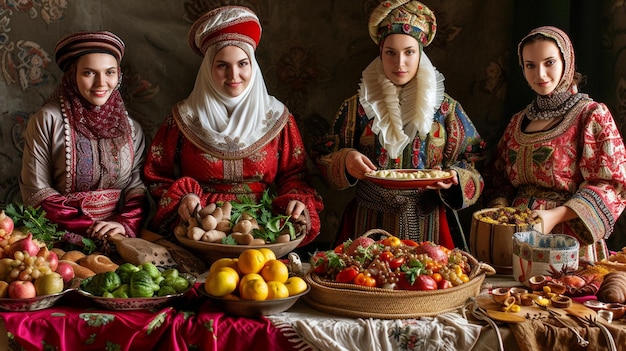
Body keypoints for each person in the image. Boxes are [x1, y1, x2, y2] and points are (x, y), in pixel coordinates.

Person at [143, 6, 324, 246]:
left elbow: (295, 174)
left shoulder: (278, 118)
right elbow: (156, 175)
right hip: (201, 227)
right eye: (222, 65)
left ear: (253, 66)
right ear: (208, 68)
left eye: (242, 64)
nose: (234, 75)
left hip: (263, 229)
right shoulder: (183, 118)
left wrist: (296, 199)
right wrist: (183, 198)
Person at [313, 0, 485, 249]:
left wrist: (456, 178)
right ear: (380, 53)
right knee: (367, 285)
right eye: (390, 53)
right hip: (368, 223)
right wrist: (346, 160)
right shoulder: (359, 106)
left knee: (434, 283)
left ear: (421, 53)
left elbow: (474, 161)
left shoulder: (446, 109)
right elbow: (324, 155)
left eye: (409, 52)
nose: (399, 63)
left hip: (431, 223)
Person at [483, 26, 626, 263]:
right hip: (517, 241)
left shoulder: (590, 115)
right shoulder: (518, 121)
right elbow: (498, 179)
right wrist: (504, 216)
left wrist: (553, 217)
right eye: (530, 65)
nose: (540, 74)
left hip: (570, 241)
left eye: (549, 62)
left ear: (567, 62)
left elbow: (611, 183)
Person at [19, 31, 149, 251]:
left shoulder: (131, 128)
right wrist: (93, 230)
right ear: (73, 75)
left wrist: (122, 225)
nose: (101, 82)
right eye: (89, 73)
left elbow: (137, 187)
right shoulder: (48, 120)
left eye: (109, 72)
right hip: (58, 242)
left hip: (120, 240)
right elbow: (37, 191)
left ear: (118, 75)